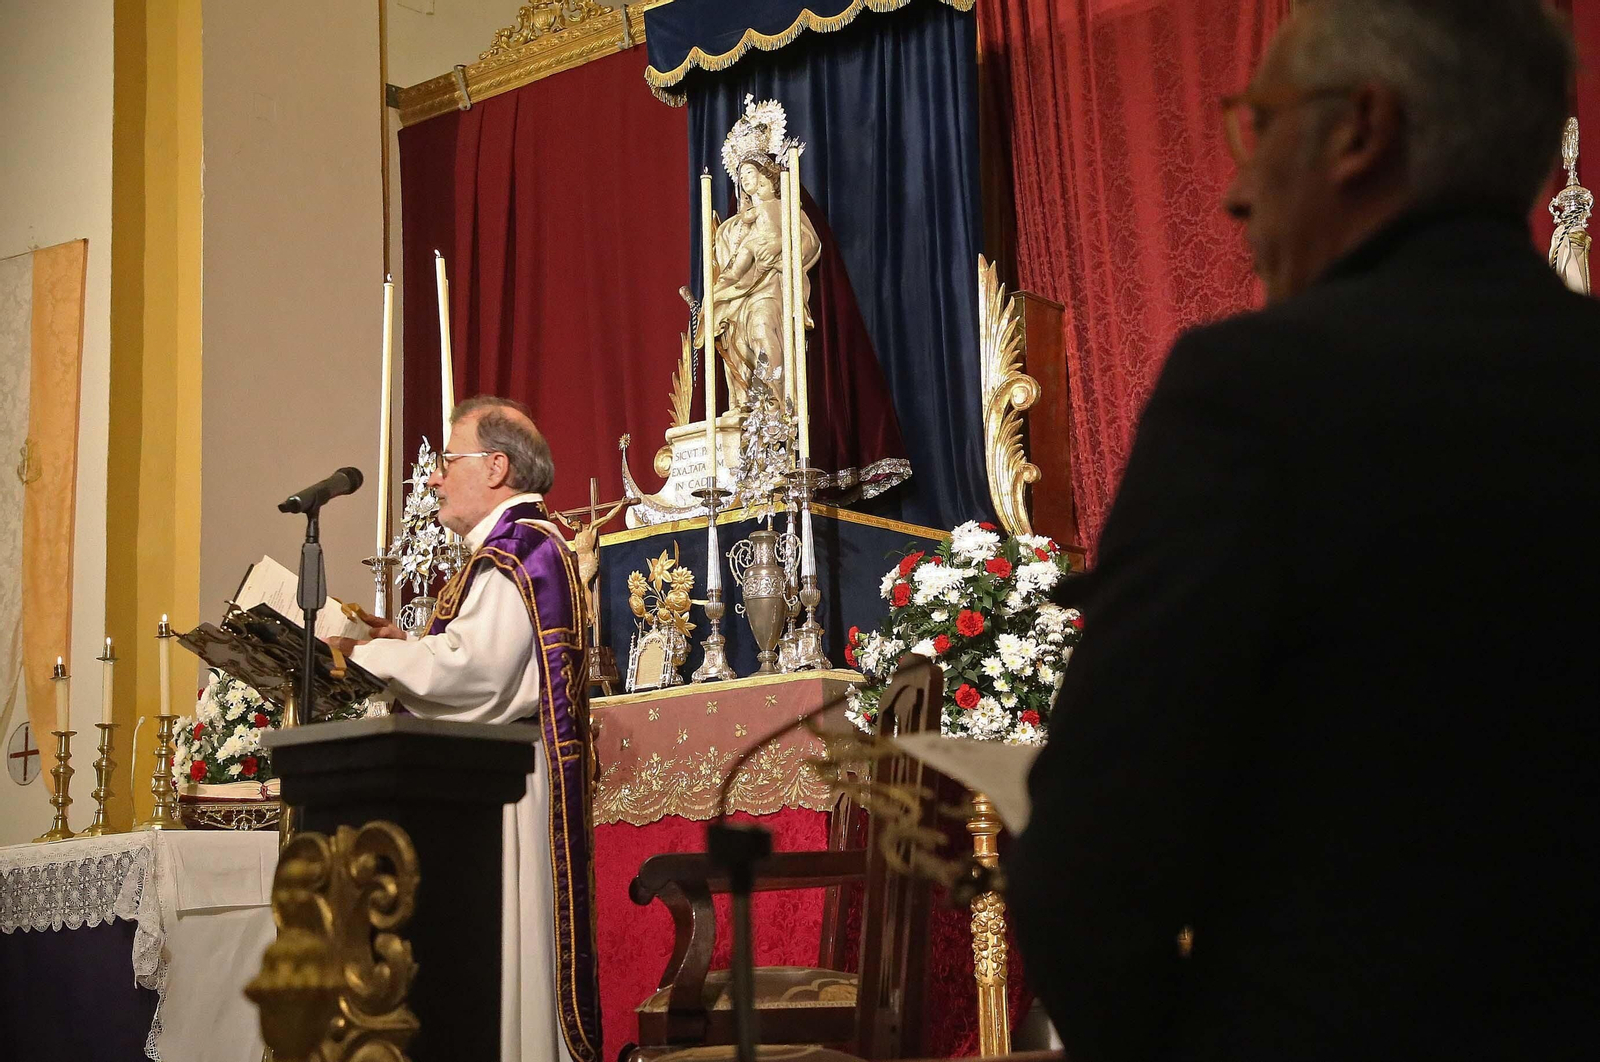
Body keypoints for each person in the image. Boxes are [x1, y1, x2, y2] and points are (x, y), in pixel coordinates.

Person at [1006, 3, 1598, 1060]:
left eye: (1258, 125)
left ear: (1359, 129)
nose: (1234, 190)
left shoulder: (1253, 394)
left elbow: (1088, 860)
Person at [330, 396, 601, 1062]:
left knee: (507, 963)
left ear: (497, 467)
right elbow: (474, 665)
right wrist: (406, 648)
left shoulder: (523, 551)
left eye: (449, 461)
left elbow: (472, 676)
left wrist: (359, 655)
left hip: (507, 790)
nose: (434, 478)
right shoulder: (519, 548)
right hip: (493, 781)